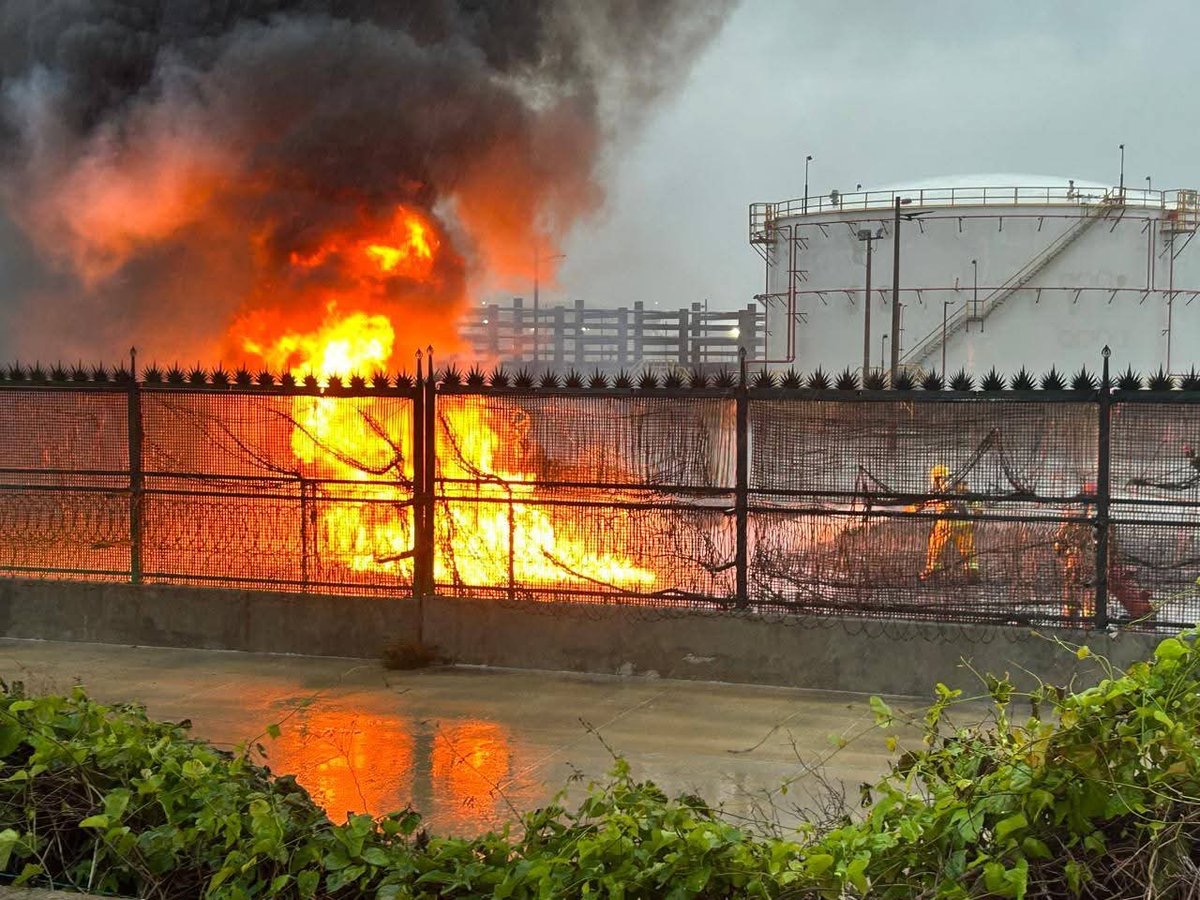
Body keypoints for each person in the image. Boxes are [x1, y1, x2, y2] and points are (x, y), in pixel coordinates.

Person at [1053, 482, 1153, 622]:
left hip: (1079, 561)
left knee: (1076, 595)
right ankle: (1087, 621)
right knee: (1088, 595)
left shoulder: (1072, 514)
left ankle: (1074, 620)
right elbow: (1111, 545)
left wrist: (1063, 552)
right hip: (1092, 563)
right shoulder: (1102, 516)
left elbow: (1060, 541)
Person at [911, 464, 981, 584]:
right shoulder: (961, 487)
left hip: (944, 525)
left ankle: (932, 574)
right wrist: (977, 511)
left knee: (935, 550)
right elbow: (974, 501)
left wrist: (905, 509)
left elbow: (918, 506)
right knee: (968, 552)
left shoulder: (936, 491)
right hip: (963, 524)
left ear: (936, 478)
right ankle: (972, 575)